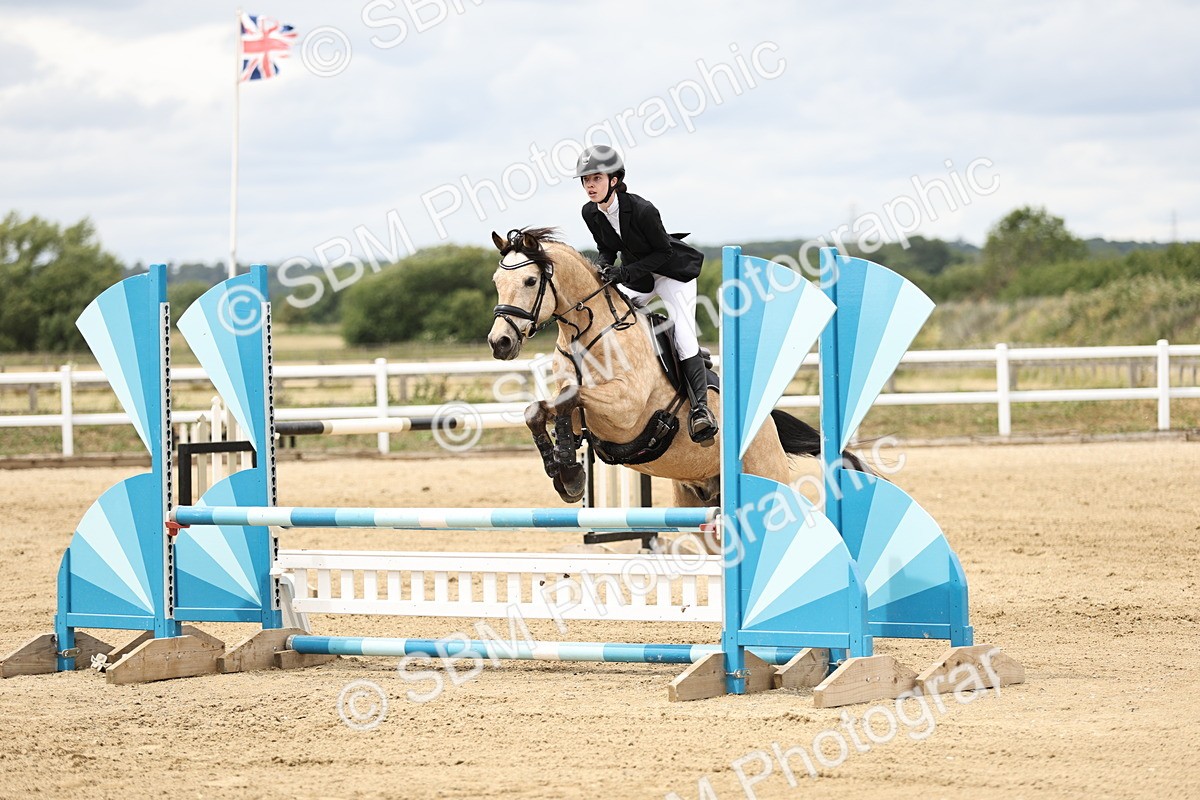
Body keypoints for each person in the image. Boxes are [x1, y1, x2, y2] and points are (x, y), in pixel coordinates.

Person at [575, 145, 717, 443]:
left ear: (614, 180)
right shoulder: (590, 212)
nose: (590, 185)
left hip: (672, 274)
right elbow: (607, 248)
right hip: (640, 277)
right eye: (586, 179)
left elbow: (663, 253)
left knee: (683, 334)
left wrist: (623, 273)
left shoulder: (642, 210)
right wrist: (603, 267)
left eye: (596, 178)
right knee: (609, 317)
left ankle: (701, 410)